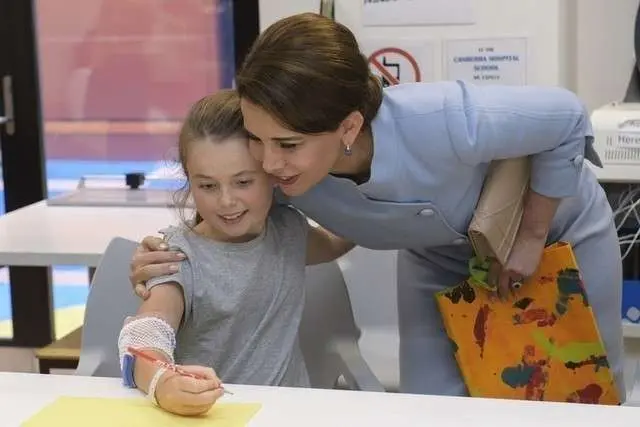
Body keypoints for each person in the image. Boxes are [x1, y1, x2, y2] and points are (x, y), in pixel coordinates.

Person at [128, 13, 625, 400]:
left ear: (347, 127)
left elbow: (566, 117)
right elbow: (229, 218)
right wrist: (171, 258)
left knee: (574, 395)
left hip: (556, 235)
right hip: (436, 258)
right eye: (257, 139)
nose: (268, 163)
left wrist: (532, 238)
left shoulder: (443, 119)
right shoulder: (275, 169)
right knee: (432, 405)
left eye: (288, 144)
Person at [117, 90, 352, 416]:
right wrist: (162, 382)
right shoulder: (176, 255)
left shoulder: (287, 230)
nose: (226, 201)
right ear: (189, 182)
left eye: (243, 182)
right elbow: (147, 330)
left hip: (290, 415)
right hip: (212, 417)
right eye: (208, 186)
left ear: (272, 174)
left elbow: (338, 240)